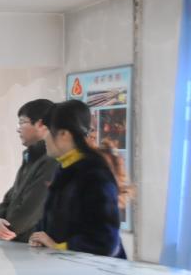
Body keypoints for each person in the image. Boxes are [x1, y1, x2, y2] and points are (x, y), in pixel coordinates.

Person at [29, 100, 126, 258]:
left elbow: (105, 241)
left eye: (47, 130)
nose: (44, 138)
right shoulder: (65, 168)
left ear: (64, 134)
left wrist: (58, 247)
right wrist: (39, 237)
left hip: (95, 271)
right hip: (66, 268)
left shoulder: (95, 174)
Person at [0, 99, 58, 243]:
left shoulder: (52, 161)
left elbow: (31, 210)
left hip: (38, 250)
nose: (18, 129)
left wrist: (5, 229)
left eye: (22, 122)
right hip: (20, 246)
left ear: (40, 124)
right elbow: (10, 197)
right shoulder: (30, 157)